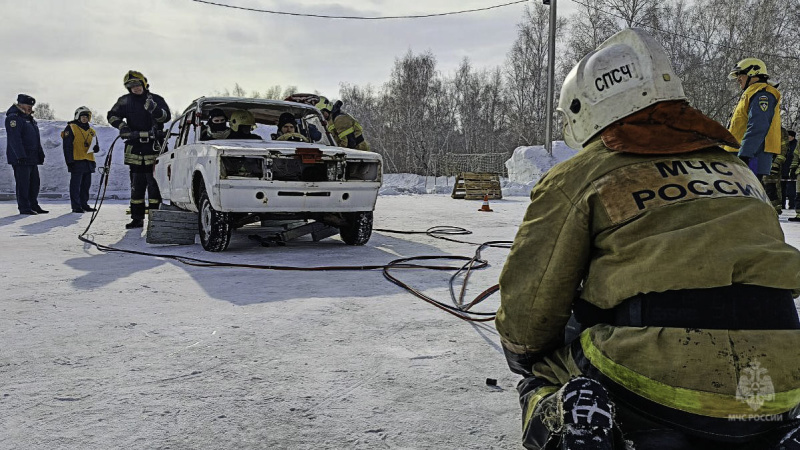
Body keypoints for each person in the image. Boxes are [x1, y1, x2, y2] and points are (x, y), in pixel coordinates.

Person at [496, 28, 800, 450]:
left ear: (585, 109)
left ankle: (576, 425)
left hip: (650, 369)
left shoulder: (578, 177)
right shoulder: (739, 171)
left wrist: (525, 352)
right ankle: (778, 432)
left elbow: (529, 310)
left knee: (543, 372)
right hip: (782, 369)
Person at [107, 70, 171, 229]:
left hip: (154, 146)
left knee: (154, 184)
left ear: (143, 83)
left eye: (137, 84)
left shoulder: (156, 99)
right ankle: (137, 218)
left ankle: (156, 218)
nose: (135, 88)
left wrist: (154, 110)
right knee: (137, 185)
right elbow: (112, 115)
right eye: (131, 86)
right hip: (135, 147)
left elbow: (166, 117)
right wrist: (122, 126)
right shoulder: (125, 101)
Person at [722, 57, 782, 208]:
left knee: (744, 200)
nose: (738, 80)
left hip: (751, 156)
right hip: (741, 154)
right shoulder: (751, 93)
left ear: (753, 74)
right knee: (737, 199)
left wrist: (745, 155)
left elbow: (758, 126)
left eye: (740, 75)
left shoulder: (763, 94)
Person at [5, 94, 47, 215]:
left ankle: (33, 204)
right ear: (20, 104)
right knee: (23, 184)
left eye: (31, 106)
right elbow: (14, 139)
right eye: (28, 105)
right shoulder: (14, 118)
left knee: (34, 183)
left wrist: (40, 153)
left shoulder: (30, 119)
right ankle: (24, 207)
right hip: (21, 158)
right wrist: (20, 155)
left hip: (32, 157)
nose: (30, 108)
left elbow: (35, 139)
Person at [61, 106, 100, 213]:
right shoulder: (71, 127)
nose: (84, 118)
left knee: (86, 185)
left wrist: (96, 148)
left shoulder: (92, 131)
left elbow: (95, 145)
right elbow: (67, 146)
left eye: (86, 117)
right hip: (76, 160)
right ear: (78, 116)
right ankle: (76, 206)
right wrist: (69, 161)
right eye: (82, 116)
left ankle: (84, 204)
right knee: (76, 185)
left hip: (88, 161)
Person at [783, 130, 796, 210]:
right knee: (782, 189)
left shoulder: (795, 145)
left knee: (791, 190)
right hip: (783, 169)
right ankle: (782, 205)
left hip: (791, 170)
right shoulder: (785, 144)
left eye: (789, 136)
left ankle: (792, 205)